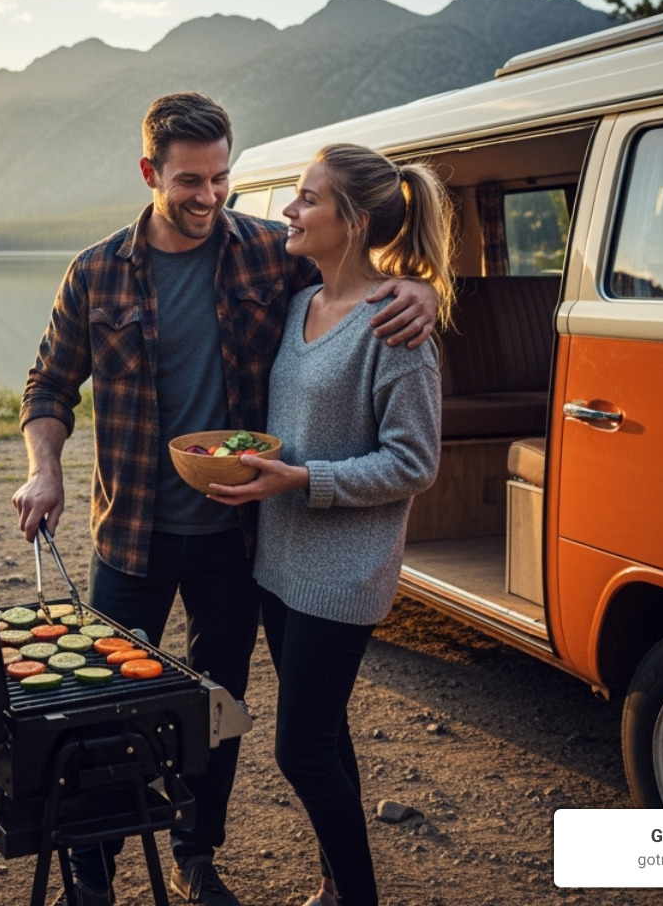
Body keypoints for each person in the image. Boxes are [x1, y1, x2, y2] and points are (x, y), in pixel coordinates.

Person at [12, 94, 438, 906]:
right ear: (150, 174)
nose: (209, 197)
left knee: (219, 703)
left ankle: (195, 851)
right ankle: (93, 874)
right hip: (130, 531)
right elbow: (48, 384)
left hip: (238, 539)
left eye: (221, 178)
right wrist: (46, 468)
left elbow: (362, 262)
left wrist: (420, 290)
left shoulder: (269, 252)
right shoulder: (96, 270)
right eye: (189, 181)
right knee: (106, 702)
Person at [204, 143, 455, 906]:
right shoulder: (297, 304)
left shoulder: (397, 327)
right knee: (328, 731)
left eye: (307, 199)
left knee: (301, 750)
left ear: (350, 222)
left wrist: (305, 479)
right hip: (279, 561)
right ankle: (336, 883)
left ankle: (360, 898)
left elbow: (415, 464)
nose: (289, 209)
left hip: (342, 575)